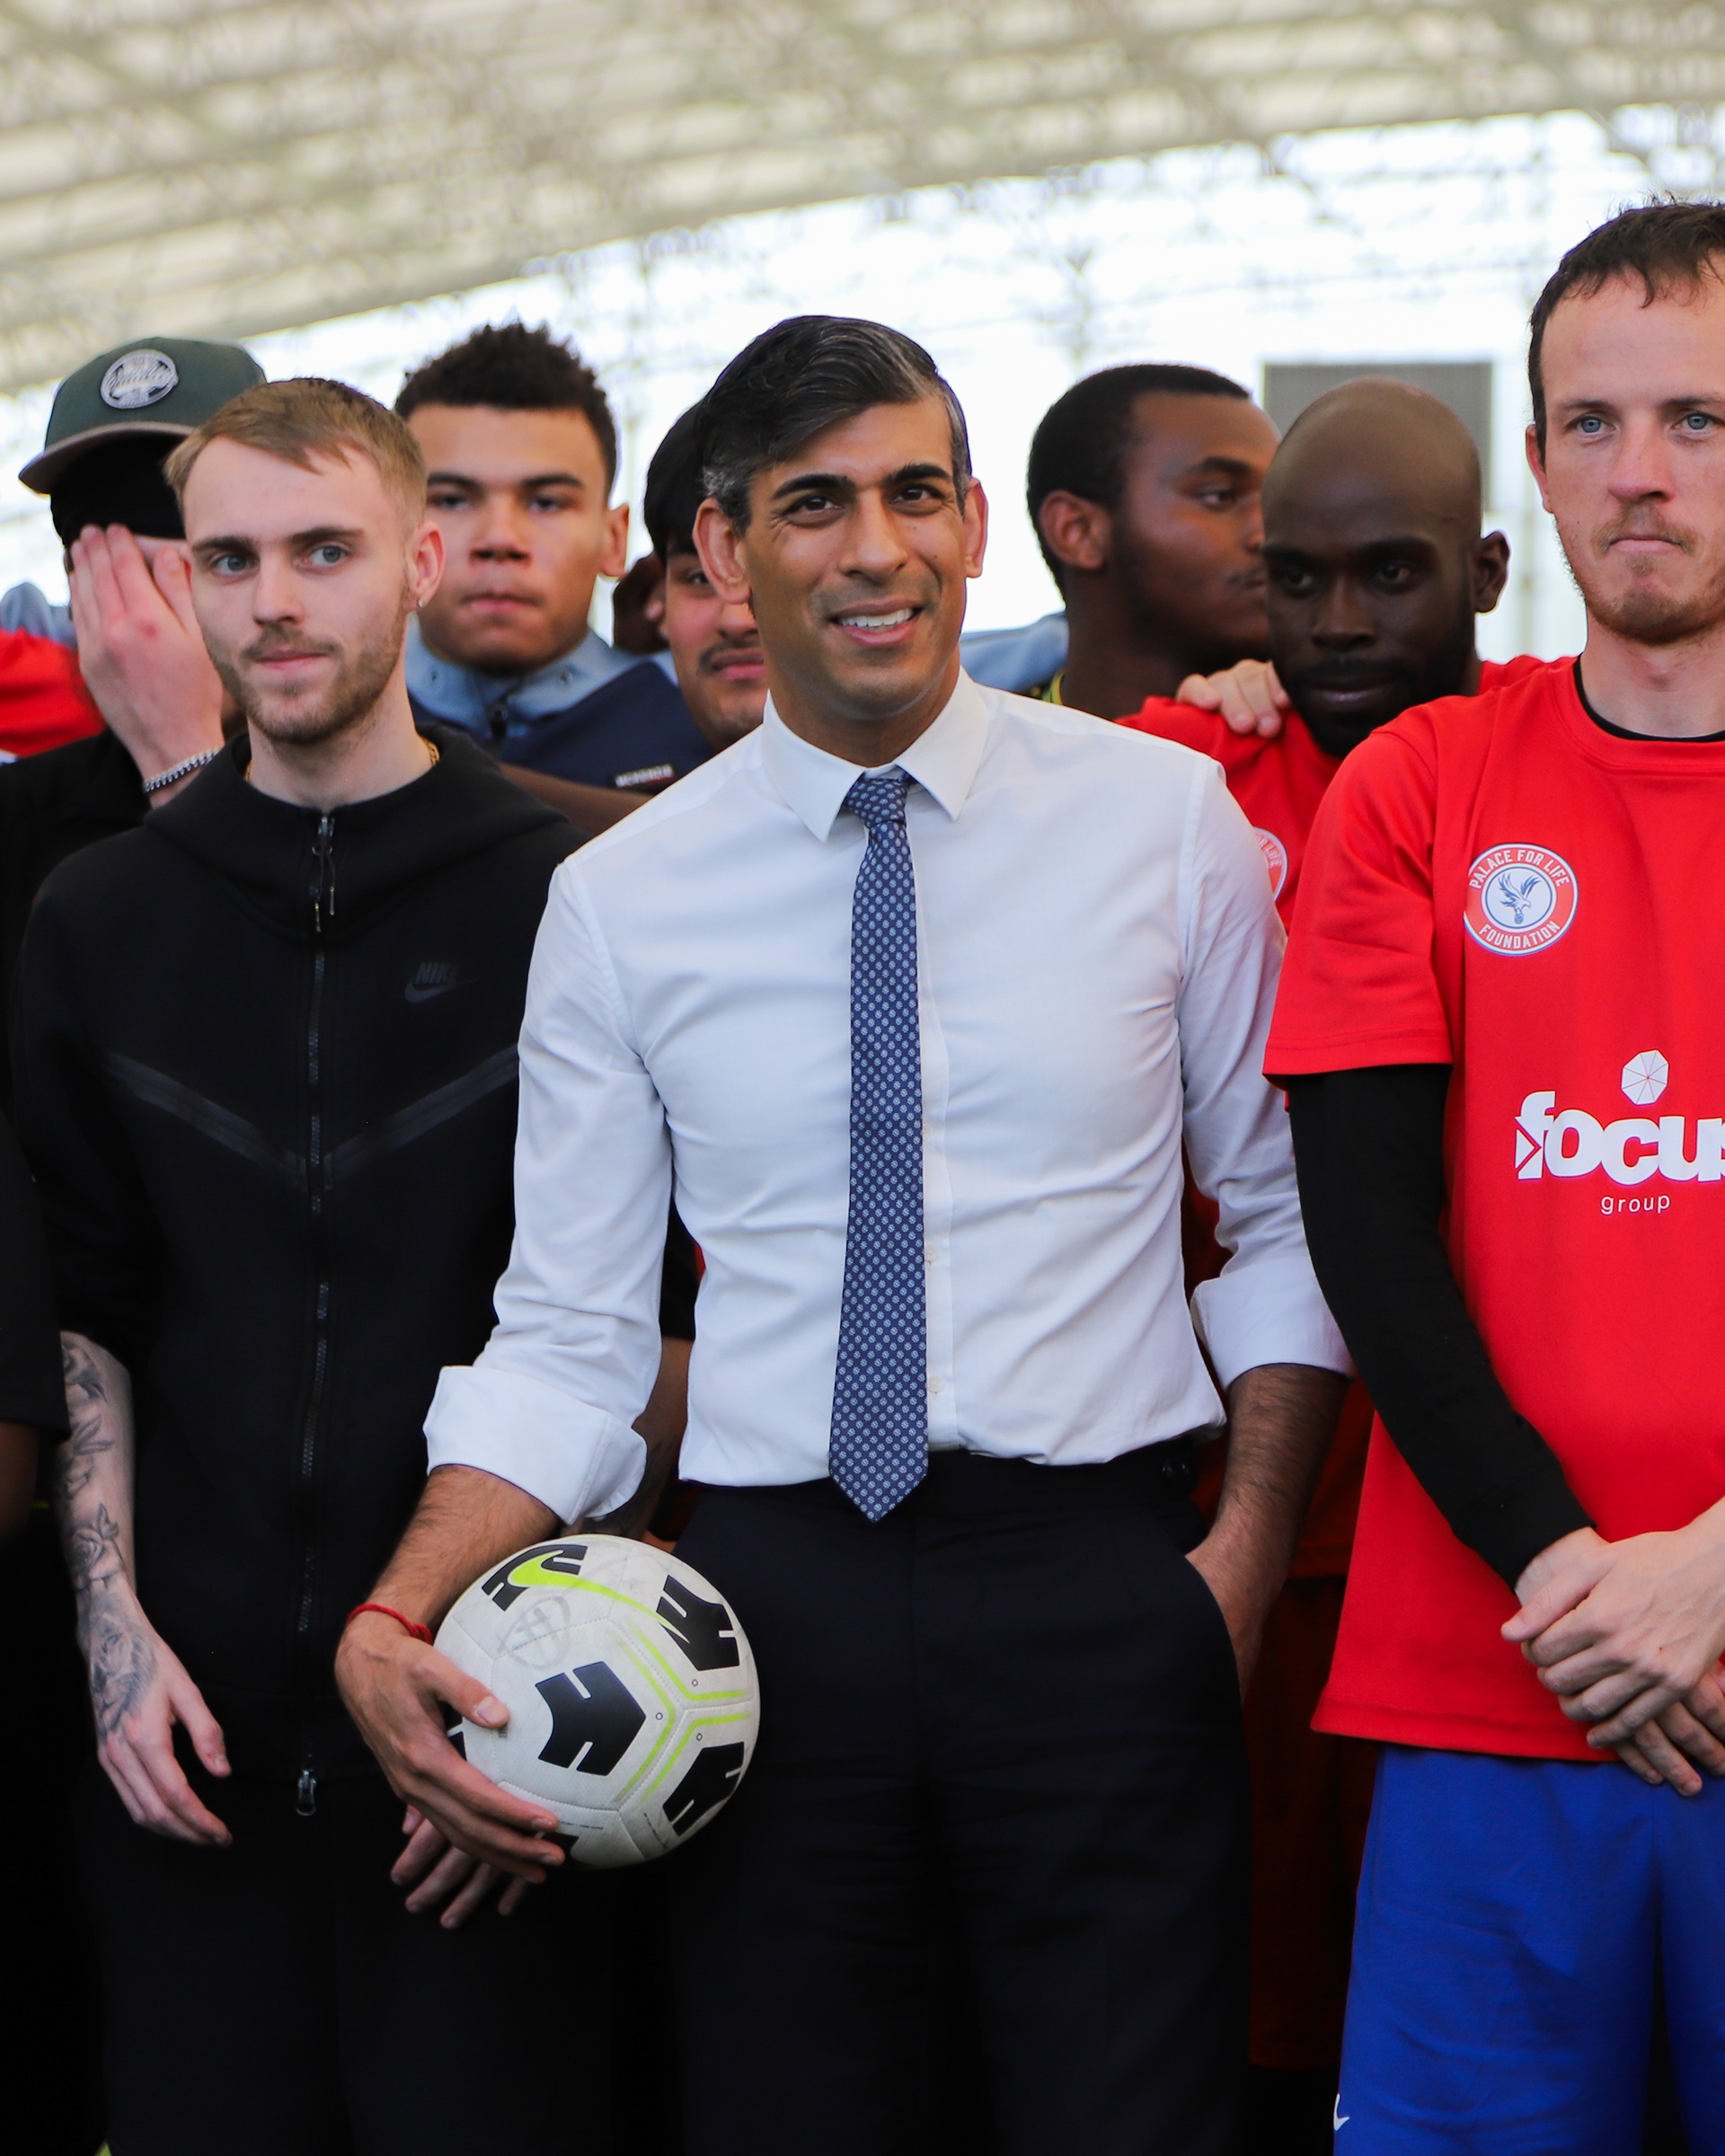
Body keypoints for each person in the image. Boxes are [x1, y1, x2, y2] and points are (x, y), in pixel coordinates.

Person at [336, 313, 1350, 2156]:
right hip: (763, 1631)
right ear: (723, 553)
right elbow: (565, 1331)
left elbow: (1282, 1225)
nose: (874, 548)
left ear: (977, 525)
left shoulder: (1168, 822)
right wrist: (402, 1606)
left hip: (1104, 1588)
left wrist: (1243, 1557)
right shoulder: (626, 900)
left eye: (911, 493)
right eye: (815, 503)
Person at [17, 376, 694, 2156]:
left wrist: (563, 1682)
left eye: (323, 550)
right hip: (191, 1741)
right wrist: (112, 1644)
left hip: (494, 1726)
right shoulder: (102, 915)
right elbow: (84, 1305)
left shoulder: (577, 886)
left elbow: (649, 1316)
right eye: (227, 557)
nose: (274, 600)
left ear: (415, 560)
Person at [1265, 201, 1725, 2152]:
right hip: (1494, 1675)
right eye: (1594, 423)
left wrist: (1715, 1570)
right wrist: (1567, 1576)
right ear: (1533, 466)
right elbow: (1371, 1238)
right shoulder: (1424, 785)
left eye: (1701, 418)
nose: (1641, 473)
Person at [1114, 375, 1523, 2148]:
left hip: (1500, 1493)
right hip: (1253, 1489)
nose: (1340, 625)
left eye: (1391, 575)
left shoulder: (1566, 744)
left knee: (1479, 2010)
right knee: (1257, 2004)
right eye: (1299, 581)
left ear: (1488, 574)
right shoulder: (1177, 769)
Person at [0, 338, 265, 1060]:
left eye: (215, 562)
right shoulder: (23, 821)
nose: (151, 617)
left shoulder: (386, 777)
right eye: (118, 571)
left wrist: (183, 759)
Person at [398, 323, 712, 826]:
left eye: (546, 502)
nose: (500, 539)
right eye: (452, 500)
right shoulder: (310, 718)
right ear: (395, 531)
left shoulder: (710, 716)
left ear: (615, 539)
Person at [1022, 361, 1279, 715]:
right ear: (1078, 532)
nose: (1272, 535)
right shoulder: (970, 757)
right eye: (1221, 496)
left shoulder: (1348, 747)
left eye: (1281, 499)